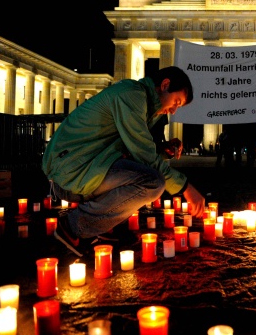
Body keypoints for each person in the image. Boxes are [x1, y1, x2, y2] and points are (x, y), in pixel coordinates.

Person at [42, 66, 206, 257]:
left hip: (86, 166)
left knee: (143, 174)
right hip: (71, 171)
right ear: (165, 84)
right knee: (152, 182)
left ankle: (103, 227)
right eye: (176, 101)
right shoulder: (131, 95)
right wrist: (186, 188)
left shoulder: (141, 102)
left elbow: (132, 151)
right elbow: (143, 154)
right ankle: (72, 227)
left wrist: (162, 151)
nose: (174, 109)